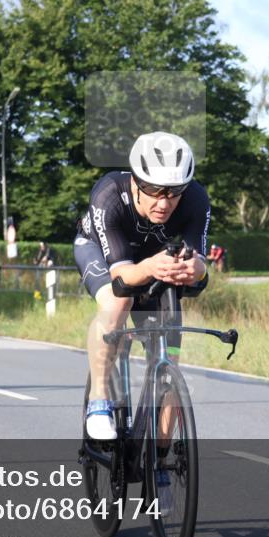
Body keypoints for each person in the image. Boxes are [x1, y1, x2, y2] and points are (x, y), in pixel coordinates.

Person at [74, 131, 210, 441]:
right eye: (154, 190)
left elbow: (200, 267)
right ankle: (99, 401)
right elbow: (122, 278)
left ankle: (161, 452)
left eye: (174, 192)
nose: (164, 202)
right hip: (101, 252)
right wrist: (149, 267)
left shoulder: (196, 199)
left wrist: (196, 269)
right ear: (135, 181)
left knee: (169, 351)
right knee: (118, 302)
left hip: (153, 258)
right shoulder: (109, 193)